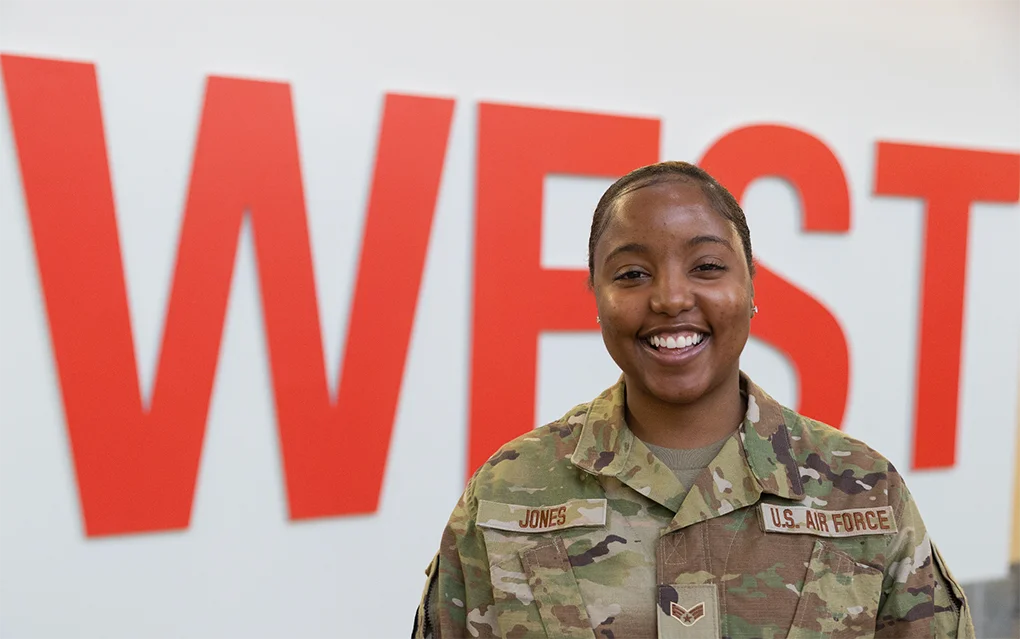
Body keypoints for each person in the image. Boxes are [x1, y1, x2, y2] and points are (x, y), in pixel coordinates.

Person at [412, 161, 975, 639]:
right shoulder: (507, 494)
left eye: (706, 267)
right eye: (632, 274)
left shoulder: (862, 491)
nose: (671, 297)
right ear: (598, 298)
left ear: (751, 285)